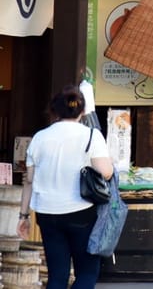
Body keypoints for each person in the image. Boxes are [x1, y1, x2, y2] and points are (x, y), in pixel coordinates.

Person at [17, 85, 113, 289]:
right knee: (87, 272)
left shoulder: (40, 138)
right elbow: (106, 172)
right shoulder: (91, 136)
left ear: (55, 110)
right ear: (82, 111)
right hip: (82, 212)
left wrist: (23, 216)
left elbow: (30, 179)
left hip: (47, 213)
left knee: (57, 276)